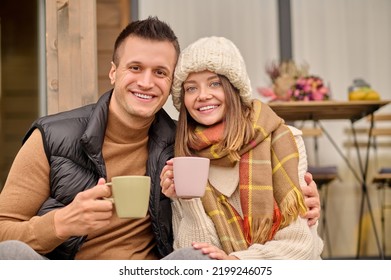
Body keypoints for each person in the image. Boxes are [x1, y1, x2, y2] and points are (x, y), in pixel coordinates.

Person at [0, 17, 320, 260]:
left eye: (160, 72)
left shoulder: (184, 143)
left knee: (196, 259)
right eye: (135, 67)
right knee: (12, 254)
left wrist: (296, 197)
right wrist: (61, 223)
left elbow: (214, 226)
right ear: (113, 72)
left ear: (170, 84)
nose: (146, 82)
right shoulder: (53, 137)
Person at [160, 36, 323, 260]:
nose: (203, 95)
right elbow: (192, 254)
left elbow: (300, 245)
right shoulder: (185, 157)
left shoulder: (285, 142)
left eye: (215, 83)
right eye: (191, 88)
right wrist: (188, 201)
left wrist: (236, 262)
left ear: (235, 88)